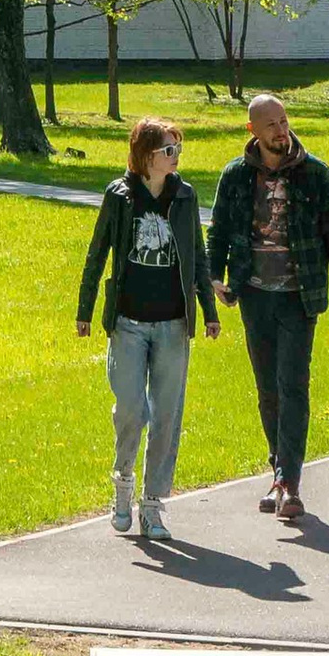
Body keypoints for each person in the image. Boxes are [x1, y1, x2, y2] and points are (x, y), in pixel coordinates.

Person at [206, 90, 329, 527]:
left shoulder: (314, 173)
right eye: (270, 124)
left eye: (284, 121)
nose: (280, 130)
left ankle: (289, 482)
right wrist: (215, 277)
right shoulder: (235, 176)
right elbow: (218, 231)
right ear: (252, 130)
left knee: (293, 384)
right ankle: (278, 470)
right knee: (268, 388)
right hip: (254, 294)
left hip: (298, 295)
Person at [76, 116, 221, 542]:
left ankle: (154, 505)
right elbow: (97, 252)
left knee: (166, 417)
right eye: (168, 150)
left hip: (173, 324)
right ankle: (123, 484)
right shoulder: (120, 196)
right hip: (129, 323)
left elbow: (197, 255)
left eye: (178, 149)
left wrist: (208, 311)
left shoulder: (185, 196)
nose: (176, 157)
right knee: (132, 411)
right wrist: (85, 310)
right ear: (145, 156)